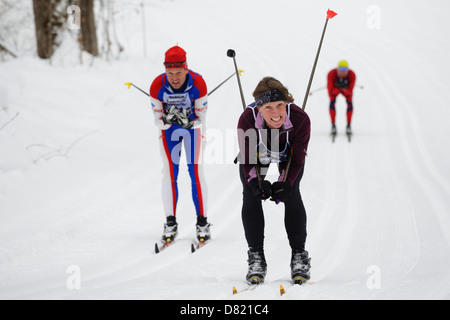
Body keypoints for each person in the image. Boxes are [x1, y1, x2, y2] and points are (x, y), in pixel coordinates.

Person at [237, 77, 311, 285]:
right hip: (257, 154)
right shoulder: (247, 119)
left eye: (280, 105)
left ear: (286, 103)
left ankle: (299, 255)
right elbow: (249, 160)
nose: (276, 113)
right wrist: (255, 183)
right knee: (250, 195)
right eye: (268, 107)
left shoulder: (300, 119)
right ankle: (256, 257)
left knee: (292, 192)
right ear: (259, 108)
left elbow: (297, 160)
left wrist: (285, 183)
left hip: (288, 154)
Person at [149, 45, 210, 245]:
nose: (174, 78)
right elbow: (158, 121)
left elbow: (201, 118)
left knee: (195, 172)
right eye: (170, 73)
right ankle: (170, 222)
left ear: (186, 69)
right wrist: (167, 120)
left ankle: (202, 222)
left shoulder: (198, 83)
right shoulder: (157, 86)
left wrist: (190, 121)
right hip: (170, 134)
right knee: (169, 173)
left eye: (178, 72)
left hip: (191, 131)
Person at [327, 60, 356, 135]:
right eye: (340, 69)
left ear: (348, 70)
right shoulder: (331, 74)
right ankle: (333, 125)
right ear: (337, 69)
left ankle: (348, 125)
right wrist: (338, 88)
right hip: (335, 89)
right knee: (332, 102)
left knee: (350, 103)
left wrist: (344, 89)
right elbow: (330, 91)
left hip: (346, 90)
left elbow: (350, 92)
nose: (343, 71)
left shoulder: (352, 75)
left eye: (345, 69)